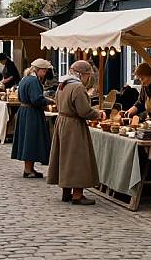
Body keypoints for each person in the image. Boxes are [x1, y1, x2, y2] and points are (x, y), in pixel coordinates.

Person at [48, 60, 106, 205]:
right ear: (81, 74)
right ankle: (77, 195)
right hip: (74, 125)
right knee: (77, 158)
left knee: (65, 157)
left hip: (62, 123)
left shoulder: (63, 85)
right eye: (87, 76)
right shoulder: (78, 87)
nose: (87, 79)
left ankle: (66, 192)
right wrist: (98, 114)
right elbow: (84, 110)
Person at [11, 59, 53, 178]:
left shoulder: (25, 79)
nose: (45, 73)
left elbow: (20, 96)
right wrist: (48, 101)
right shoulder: (34, 81)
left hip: (24, 111)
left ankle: (29, 168)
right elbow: (36, 99)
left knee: (28, 139)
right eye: (44, 71)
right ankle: (28, 169)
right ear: (38, 70)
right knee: (31, 139)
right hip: (31, 113)